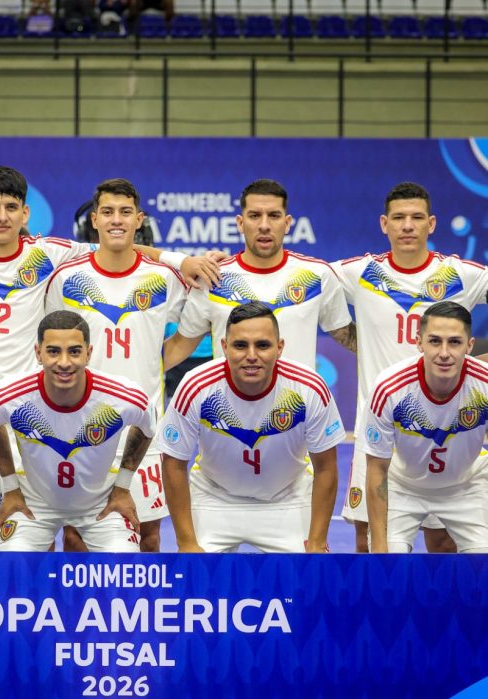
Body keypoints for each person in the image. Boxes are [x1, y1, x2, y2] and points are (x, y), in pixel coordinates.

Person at [0, 165, 218, 551]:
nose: (2, 216)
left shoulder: (52, 255)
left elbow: (117, 243)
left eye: (11, 207)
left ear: (26, 213)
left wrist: (179, 260)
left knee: (67, 526)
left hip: (36, 418)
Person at [335, 182, 488, 552]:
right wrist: (358, 342)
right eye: (399, 218)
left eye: (417, 217)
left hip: (444, 425)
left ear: (431, 224)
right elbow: (294, 283)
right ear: (384, 224)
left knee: (443, 540)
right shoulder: (358, 272)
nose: (407, 226)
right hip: (381, 424)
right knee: (367, 540)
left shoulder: (461, 274)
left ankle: (438, 611)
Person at [45, 177, 188, 552]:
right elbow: (50, 344)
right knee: (76, 534)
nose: (117, 220)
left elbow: (193, 328)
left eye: (125, 212)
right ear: (94, 220)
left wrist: (160, 360)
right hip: (80, 425)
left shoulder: (164, 278)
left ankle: (142, 610)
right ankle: (79, 609)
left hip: (144, 427)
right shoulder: (67, 279)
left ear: (139, 220)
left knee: (148, 533)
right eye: (108, 212)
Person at [158, 302, 344, 553]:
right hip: (215, 497)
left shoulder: (309, 388)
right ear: (224, 347)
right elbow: (173, 463)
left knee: (306, 584)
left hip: (288, 498)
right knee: (197, 583)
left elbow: (326, 467)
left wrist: (317, 543)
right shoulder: (196, 386)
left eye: (263, 345)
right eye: (240, 345)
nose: (252, 355)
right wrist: (186, 542)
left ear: (280, 348)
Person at [0, 310, 155, 552]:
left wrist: (123, 485)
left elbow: (146, 427)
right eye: (53, 351)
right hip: (34, 503)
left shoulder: (125, 397)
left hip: (100, 505)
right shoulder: (4, 397)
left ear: (89, 353)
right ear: (38, 353)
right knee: (12, 567)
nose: (64, 362)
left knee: (123, 569)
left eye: (74, 351)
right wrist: (10, 487)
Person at [163, 178, 355, 373]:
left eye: (273, 215)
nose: (264, 225)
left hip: (296, 403)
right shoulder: (214, 279)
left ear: (287, 223)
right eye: (255, 215)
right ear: (240, 223)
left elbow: (350, 338)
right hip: (229, 404)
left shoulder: (317, 276)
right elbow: (178, 346)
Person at [362, 302, 488, 553]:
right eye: (434, 341)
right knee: (390, 560)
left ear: (469, 346)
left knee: (481, 560)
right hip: (402, 486)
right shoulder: (389, 388)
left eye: (454, 342)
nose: (444, 353)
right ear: (419, 343)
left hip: (467, 485)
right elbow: (376, 468)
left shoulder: (484, 383)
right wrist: (379, 545)